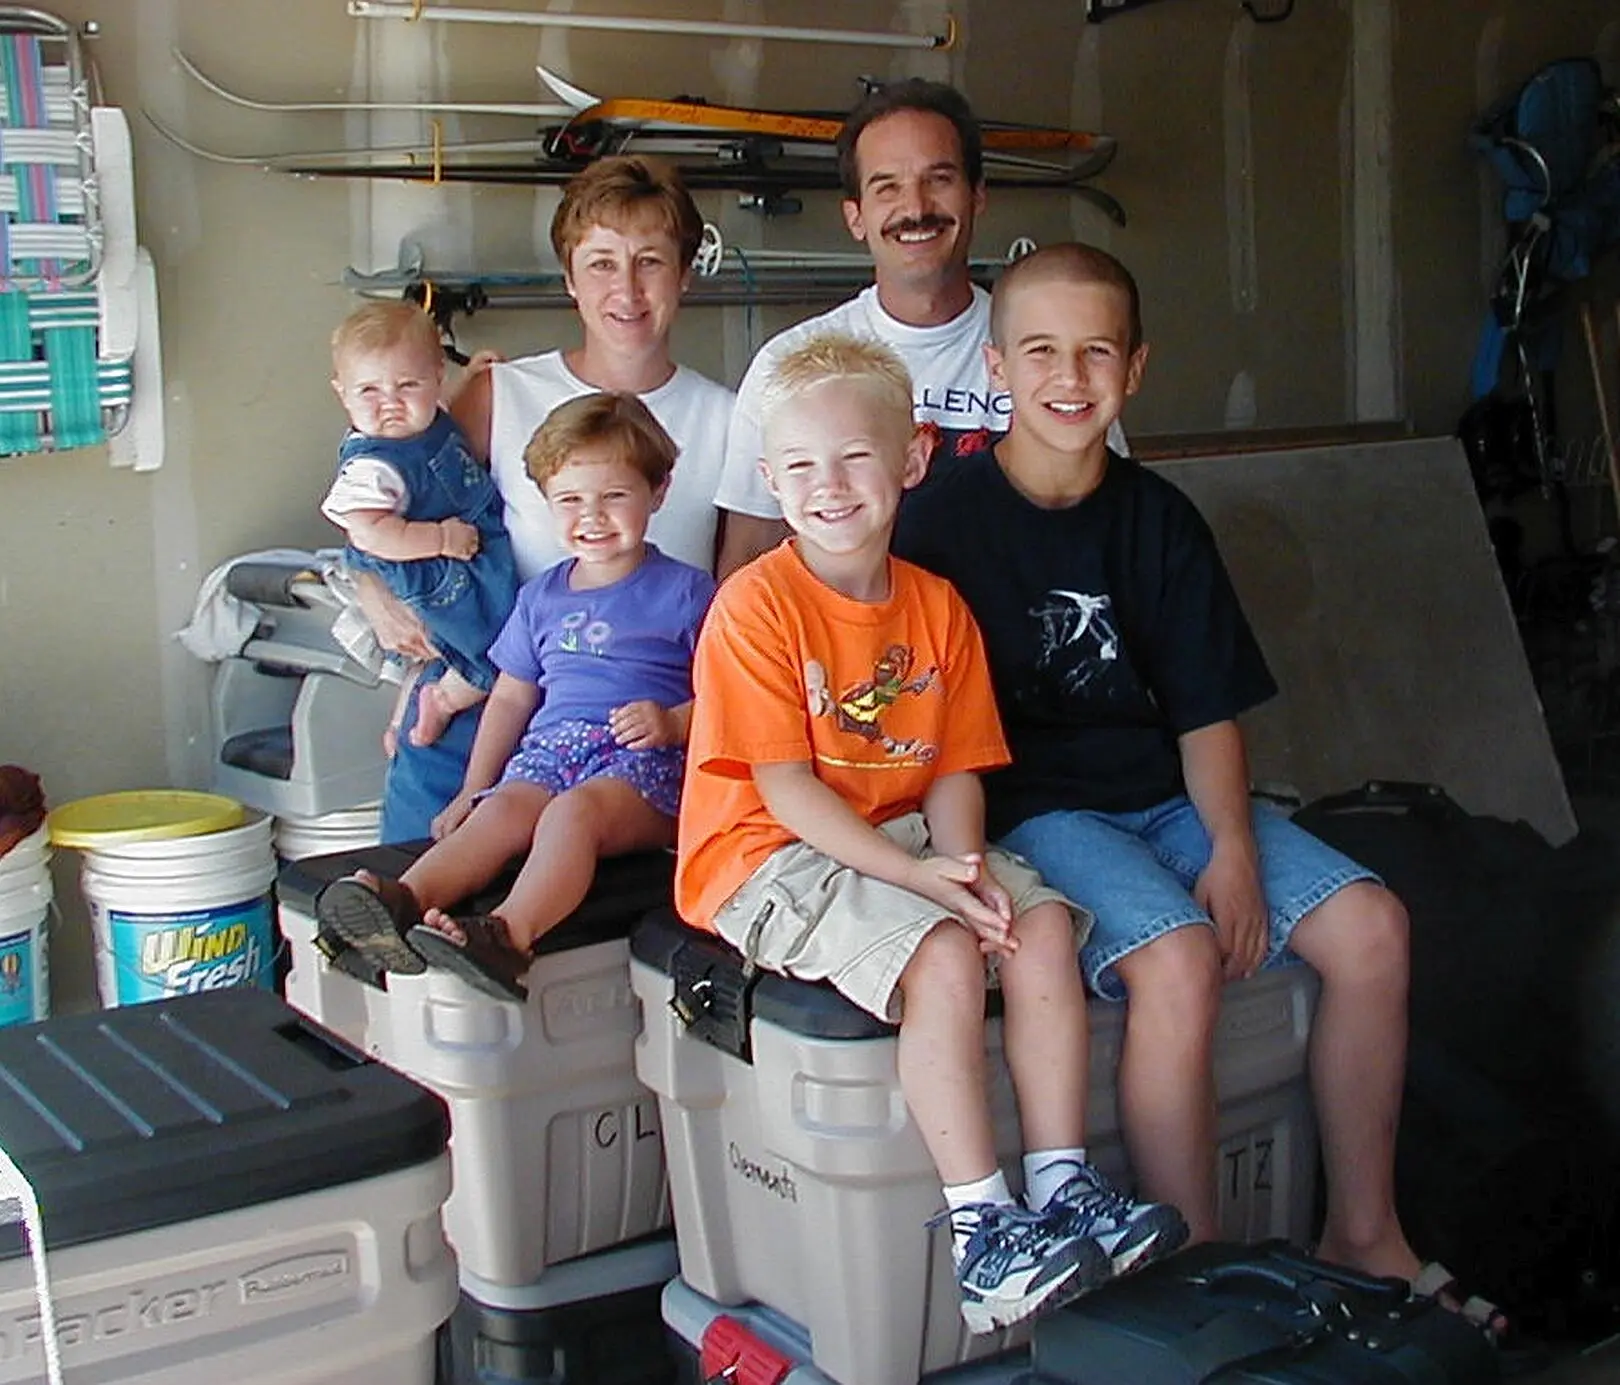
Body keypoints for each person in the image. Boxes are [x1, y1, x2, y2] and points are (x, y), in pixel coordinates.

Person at [891, 242, 1496, 1330]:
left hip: (1166, 795)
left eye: (1097, 352)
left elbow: (1206, 710)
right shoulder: (938, 524)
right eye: (1041, 351)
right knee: (1176, 957)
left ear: (1136, 368)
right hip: (1038, 810)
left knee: (1373, 927)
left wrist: (1232, 848)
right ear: (996, 366)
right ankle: (1195, 1277)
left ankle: (1366, 1230)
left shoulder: (1160, 518)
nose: (1069, 376)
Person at [676, 332, 1184, 1334]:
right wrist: (924, 885)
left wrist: (962, 865)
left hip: (900, 833)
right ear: (770, 479)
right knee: (946, 951)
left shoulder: (936, 607)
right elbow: (786, 790)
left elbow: (955, 765)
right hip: (764, 853)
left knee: (1038, 926)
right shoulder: (756, 607)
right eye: (801, 466)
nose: (829, 486)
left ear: (912, 458)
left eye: (855, 457)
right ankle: (982, 1227)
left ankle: (1063, 1183)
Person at [368, 155, 734, 842]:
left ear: (685, 274)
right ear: (569, 278)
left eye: (651, 262)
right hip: (483, 707)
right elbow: (380, 507)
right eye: (600, 263)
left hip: (636, 738)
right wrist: (376, 600)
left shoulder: (731, 419)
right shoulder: (501, 393)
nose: (626, 288)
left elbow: (746, 603)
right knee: (416, 889)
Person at [317, 392, 715, 1001]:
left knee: (571, 814)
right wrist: (474, 790)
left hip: (643, 766)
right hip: (551, 756)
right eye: (570, 500)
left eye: (614, 496)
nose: (592, 516)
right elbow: (508, 699)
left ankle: (506, 937)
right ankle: (401, 904)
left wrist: (673, 723)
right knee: (500, 812)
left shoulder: (689, 594)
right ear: (547, 501)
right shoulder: (541, 598)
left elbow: (733, 698)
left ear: (658, 492)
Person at [713, 78, 1125, 577]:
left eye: (939, 178)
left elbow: (1114, 528)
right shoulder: (788, 365)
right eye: (887, 186)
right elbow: (747, 559)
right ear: (855, 216)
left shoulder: (1054, 356)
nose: (915, 208)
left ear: (977, 196)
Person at [323, 301, 518, 750]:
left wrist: (472, 378)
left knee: (427, 661)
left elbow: (443, 418)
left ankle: (400, 724)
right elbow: (368, 533)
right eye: (369, 391)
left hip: (459, 548)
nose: (390, 403)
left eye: (408, 385)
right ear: (342, 393)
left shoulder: (425, 421)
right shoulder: (372, 466)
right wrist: (441, 538)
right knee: (497, 648)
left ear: (436, 378)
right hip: (427, 564)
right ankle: (442, 702)